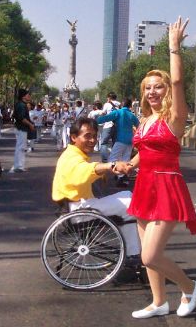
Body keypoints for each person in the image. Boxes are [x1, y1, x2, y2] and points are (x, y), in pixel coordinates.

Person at [124, 17, 196, 319]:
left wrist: (174, 48)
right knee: (148, 258)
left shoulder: (174, 116)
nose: (153, 92)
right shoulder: (144, 120)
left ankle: (189, 286)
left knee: (150, 254)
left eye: (158, 87)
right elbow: (144, 152)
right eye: (148, 88)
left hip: (167, 188)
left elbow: (177, 81)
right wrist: (127, 164)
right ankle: (159, 302)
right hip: (144, 186)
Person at [52, 117, 140, 263]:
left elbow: (84, 171)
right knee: (130, 203)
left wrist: (102, 172)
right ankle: (133, 253)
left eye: (94, 136)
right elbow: (82, 170)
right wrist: (109, 166)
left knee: (127, 195)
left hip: (79, 205)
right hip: (80, 209)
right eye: (87, 136)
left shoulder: (73, 154)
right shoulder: (71, 157)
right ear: (74, 137)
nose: (92, 140)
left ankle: (133, 250)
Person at [96, 98, 139, 187]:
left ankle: (119, 175)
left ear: (121, 105)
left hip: (120, 140)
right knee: (126, 159)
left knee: (112, 159)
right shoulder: (132, 115)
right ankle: (122, 177)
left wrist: (94, 120)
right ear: (130, 106)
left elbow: (105, 118)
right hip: (130, 140)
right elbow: (139, 125)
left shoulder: (118, 112)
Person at [11, 88, 34, 172]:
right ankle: (19, 166)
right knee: (21, 147)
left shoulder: (21, 104)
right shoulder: (21, 105)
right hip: (21, 128)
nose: (29, 96)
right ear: (23, 97)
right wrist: (30, 124)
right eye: (28, 95)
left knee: (20, 147)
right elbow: (22, 118)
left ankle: (19, 165)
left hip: (20, 128)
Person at [99, 92, 120, 162]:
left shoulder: (107, 104)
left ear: (109, 98)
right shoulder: (119, 104)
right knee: (115, 142)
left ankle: (105, 159)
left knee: (104, 143)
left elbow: (102, 113)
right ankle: (115, 159)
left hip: (108, 125)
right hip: (117, 126)